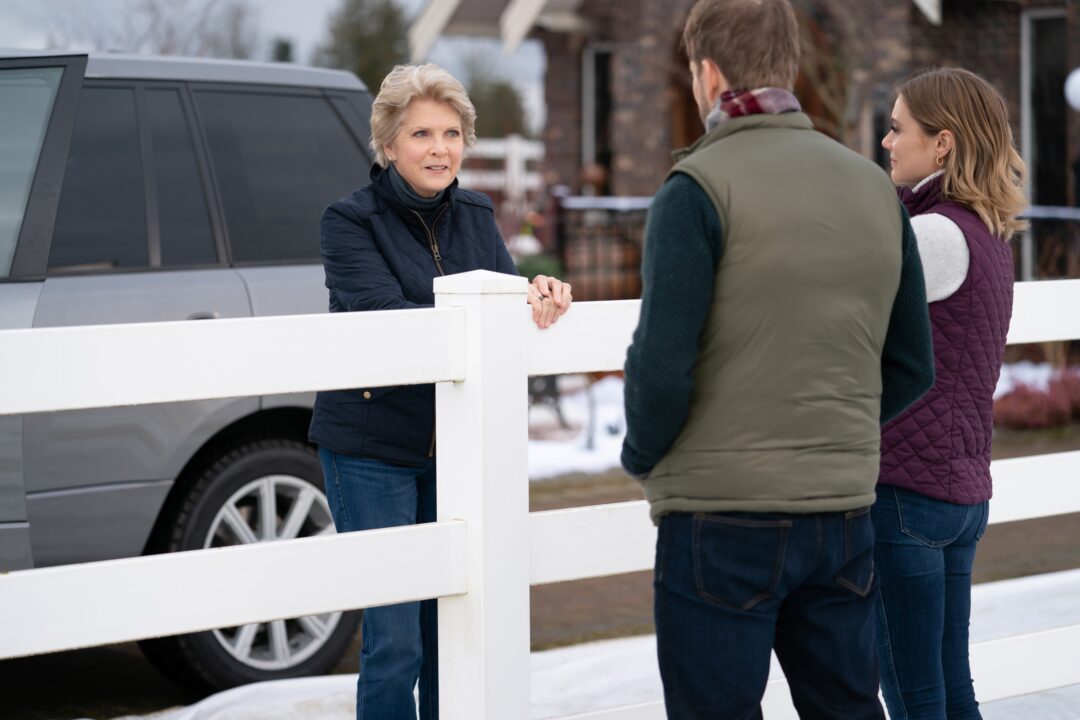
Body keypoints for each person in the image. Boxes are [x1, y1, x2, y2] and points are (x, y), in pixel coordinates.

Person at [619, 0, 936, 717]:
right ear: (788, 64)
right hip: (842, 513)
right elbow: (913, 362)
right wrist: (834, 431)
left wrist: (642, 456)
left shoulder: (696, 187)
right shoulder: (873, 188)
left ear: (707, 73)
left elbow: (662, 369)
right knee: (848, 706)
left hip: (719, 517)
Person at [308, 63, 571, 720]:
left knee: (449, 629)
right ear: (389, 145)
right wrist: (488, 306)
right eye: (421, 133)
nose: (440, 149)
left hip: (454, 447)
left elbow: (502, 302)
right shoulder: (348, 222)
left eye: (452, 133)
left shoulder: (476, 214)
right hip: (371, 447)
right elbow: (381, 314)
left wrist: (537, 295)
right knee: (396, 637)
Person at [876, 67, 1026, 720]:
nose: (886, 142)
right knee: (948, 687)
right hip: (959, 493)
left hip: (906, 494)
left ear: (942, 143)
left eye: (897, 127)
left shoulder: (932, 235)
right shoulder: (988, 234)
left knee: (914, 698)